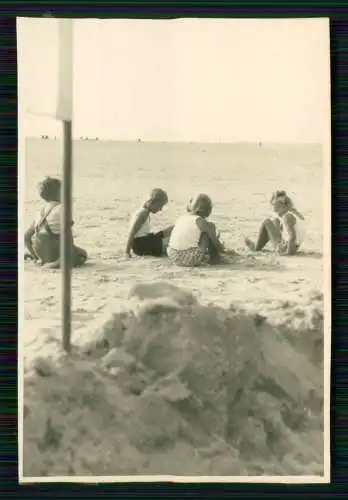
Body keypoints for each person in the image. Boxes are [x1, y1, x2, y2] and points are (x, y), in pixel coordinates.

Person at [24, 176, 87, 269]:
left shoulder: (40, 211)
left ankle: (40, 260)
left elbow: (26, 237)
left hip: (41, 252)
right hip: (55, 251)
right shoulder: (62, 209)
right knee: (82, 255)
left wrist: (35, 256)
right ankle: (58, 262)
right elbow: (68, 235)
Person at [167, 193, 233, 267]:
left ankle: (206, 256)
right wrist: (224, 251)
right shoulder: (200, 221)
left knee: (195, 235)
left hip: (172, 255)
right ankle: (215, 258)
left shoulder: (181, 218)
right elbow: (215, 242)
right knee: (207, 232)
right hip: (188, 258)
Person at [244, 190, 305, 255]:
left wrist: (287, 253)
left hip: (286, 248)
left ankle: (256, 248)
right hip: (294, 246)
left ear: (283, 207)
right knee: (276, 221)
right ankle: (260, 245)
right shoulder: (295, 213)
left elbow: (293, 236)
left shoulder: (287, 217)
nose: (275, 211)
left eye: (277, 209)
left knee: (267, 222)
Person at [125, 188, 173, 258]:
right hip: (142, 245)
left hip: (143, 241)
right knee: (172, 243)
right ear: (153, 202)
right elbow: (132, 232)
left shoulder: (144, 211)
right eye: (160, 206)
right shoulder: (143, 213)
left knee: (173, 228)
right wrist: (127, 252)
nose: (160, 209)